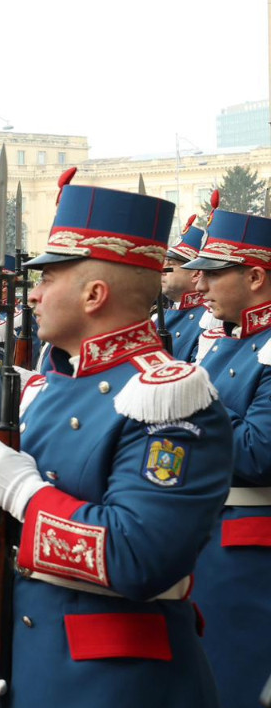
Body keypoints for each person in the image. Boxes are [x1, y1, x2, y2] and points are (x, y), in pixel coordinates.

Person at [0, 176, 230, 708]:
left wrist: (27, 495)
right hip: (33, 658)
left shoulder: (167, 398)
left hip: (112, 680)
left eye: (49, 277)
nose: (32, 293)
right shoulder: (51, 384)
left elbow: (139, 554)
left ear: (94, 294)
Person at [181, 207, 271, 708]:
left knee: (236, 680)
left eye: (215, 271)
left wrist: (185, 412)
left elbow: (260, 452)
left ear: (255, 276)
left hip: (248, 546)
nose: (200, 280)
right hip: (208, 535)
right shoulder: (227, 345)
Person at [160, 216, 209, 361]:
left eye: (171, 263)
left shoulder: (209, 319)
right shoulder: (159, 315)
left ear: (196, 273)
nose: (163, 269)